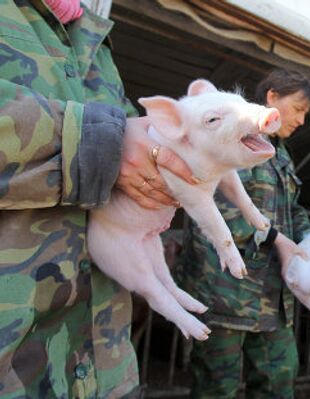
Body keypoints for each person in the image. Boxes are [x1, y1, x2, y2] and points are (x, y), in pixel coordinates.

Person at [0, 1, 198, 397]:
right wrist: (100, 143)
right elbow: (116, 139)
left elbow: (135, 143)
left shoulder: (96, 42)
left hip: (107, 369)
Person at [178, 69, 310, 398]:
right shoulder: (226, 133)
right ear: (272, 97)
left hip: (271, 299)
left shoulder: (279, 154)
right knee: (216, 386)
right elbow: (214, 206)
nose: (301, 120)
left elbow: (293, 210)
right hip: (224, 291)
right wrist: (276, 239)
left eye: (304, 114)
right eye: (298, 108)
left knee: (279, 379)